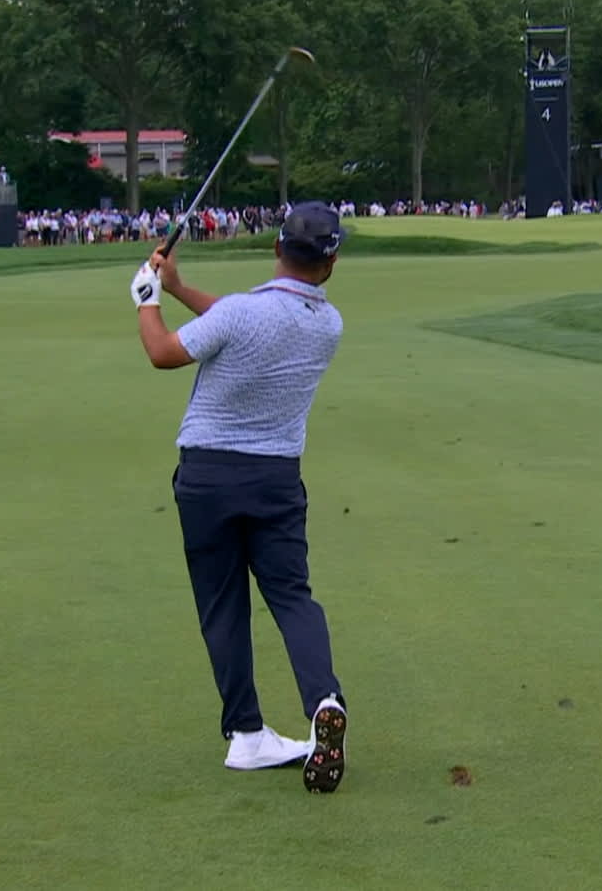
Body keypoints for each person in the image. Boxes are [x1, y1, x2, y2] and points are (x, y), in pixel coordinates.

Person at [129, 200, 350, 794]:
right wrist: (179, 290)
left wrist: (147, 298)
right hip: (276, 480)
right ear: (329, 265)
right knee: (292, 597)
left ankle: (247, 736)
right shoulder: (327, 326)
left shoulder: (243, 316)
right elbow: (236, 321)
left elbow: (164, 352)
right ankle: (324, 700)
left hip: (206, 478)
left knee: (223, 604)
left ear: (276, 248)